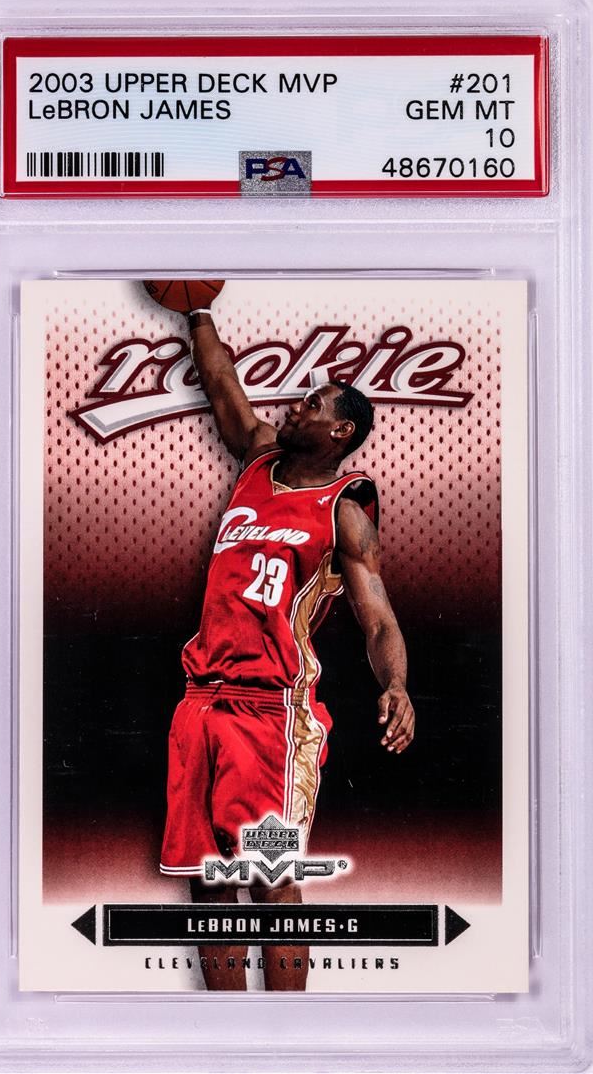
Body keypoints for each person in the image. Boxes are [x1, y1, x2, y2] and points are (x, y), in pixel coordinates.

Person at [160, 304, 415, 991]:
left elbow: (378, 619)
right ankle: (227, 1033)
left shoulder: (344, 512)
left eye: (312, 403)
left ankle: (286, 1032)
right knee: (208, 882)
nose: (294, 406)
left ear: (340, 431)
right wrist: (198, 312)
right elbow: (223, 387)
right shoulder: (258, 458)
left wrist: (395, 684)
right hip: (201, 703)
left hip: (273, 715)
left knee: (270, 878)